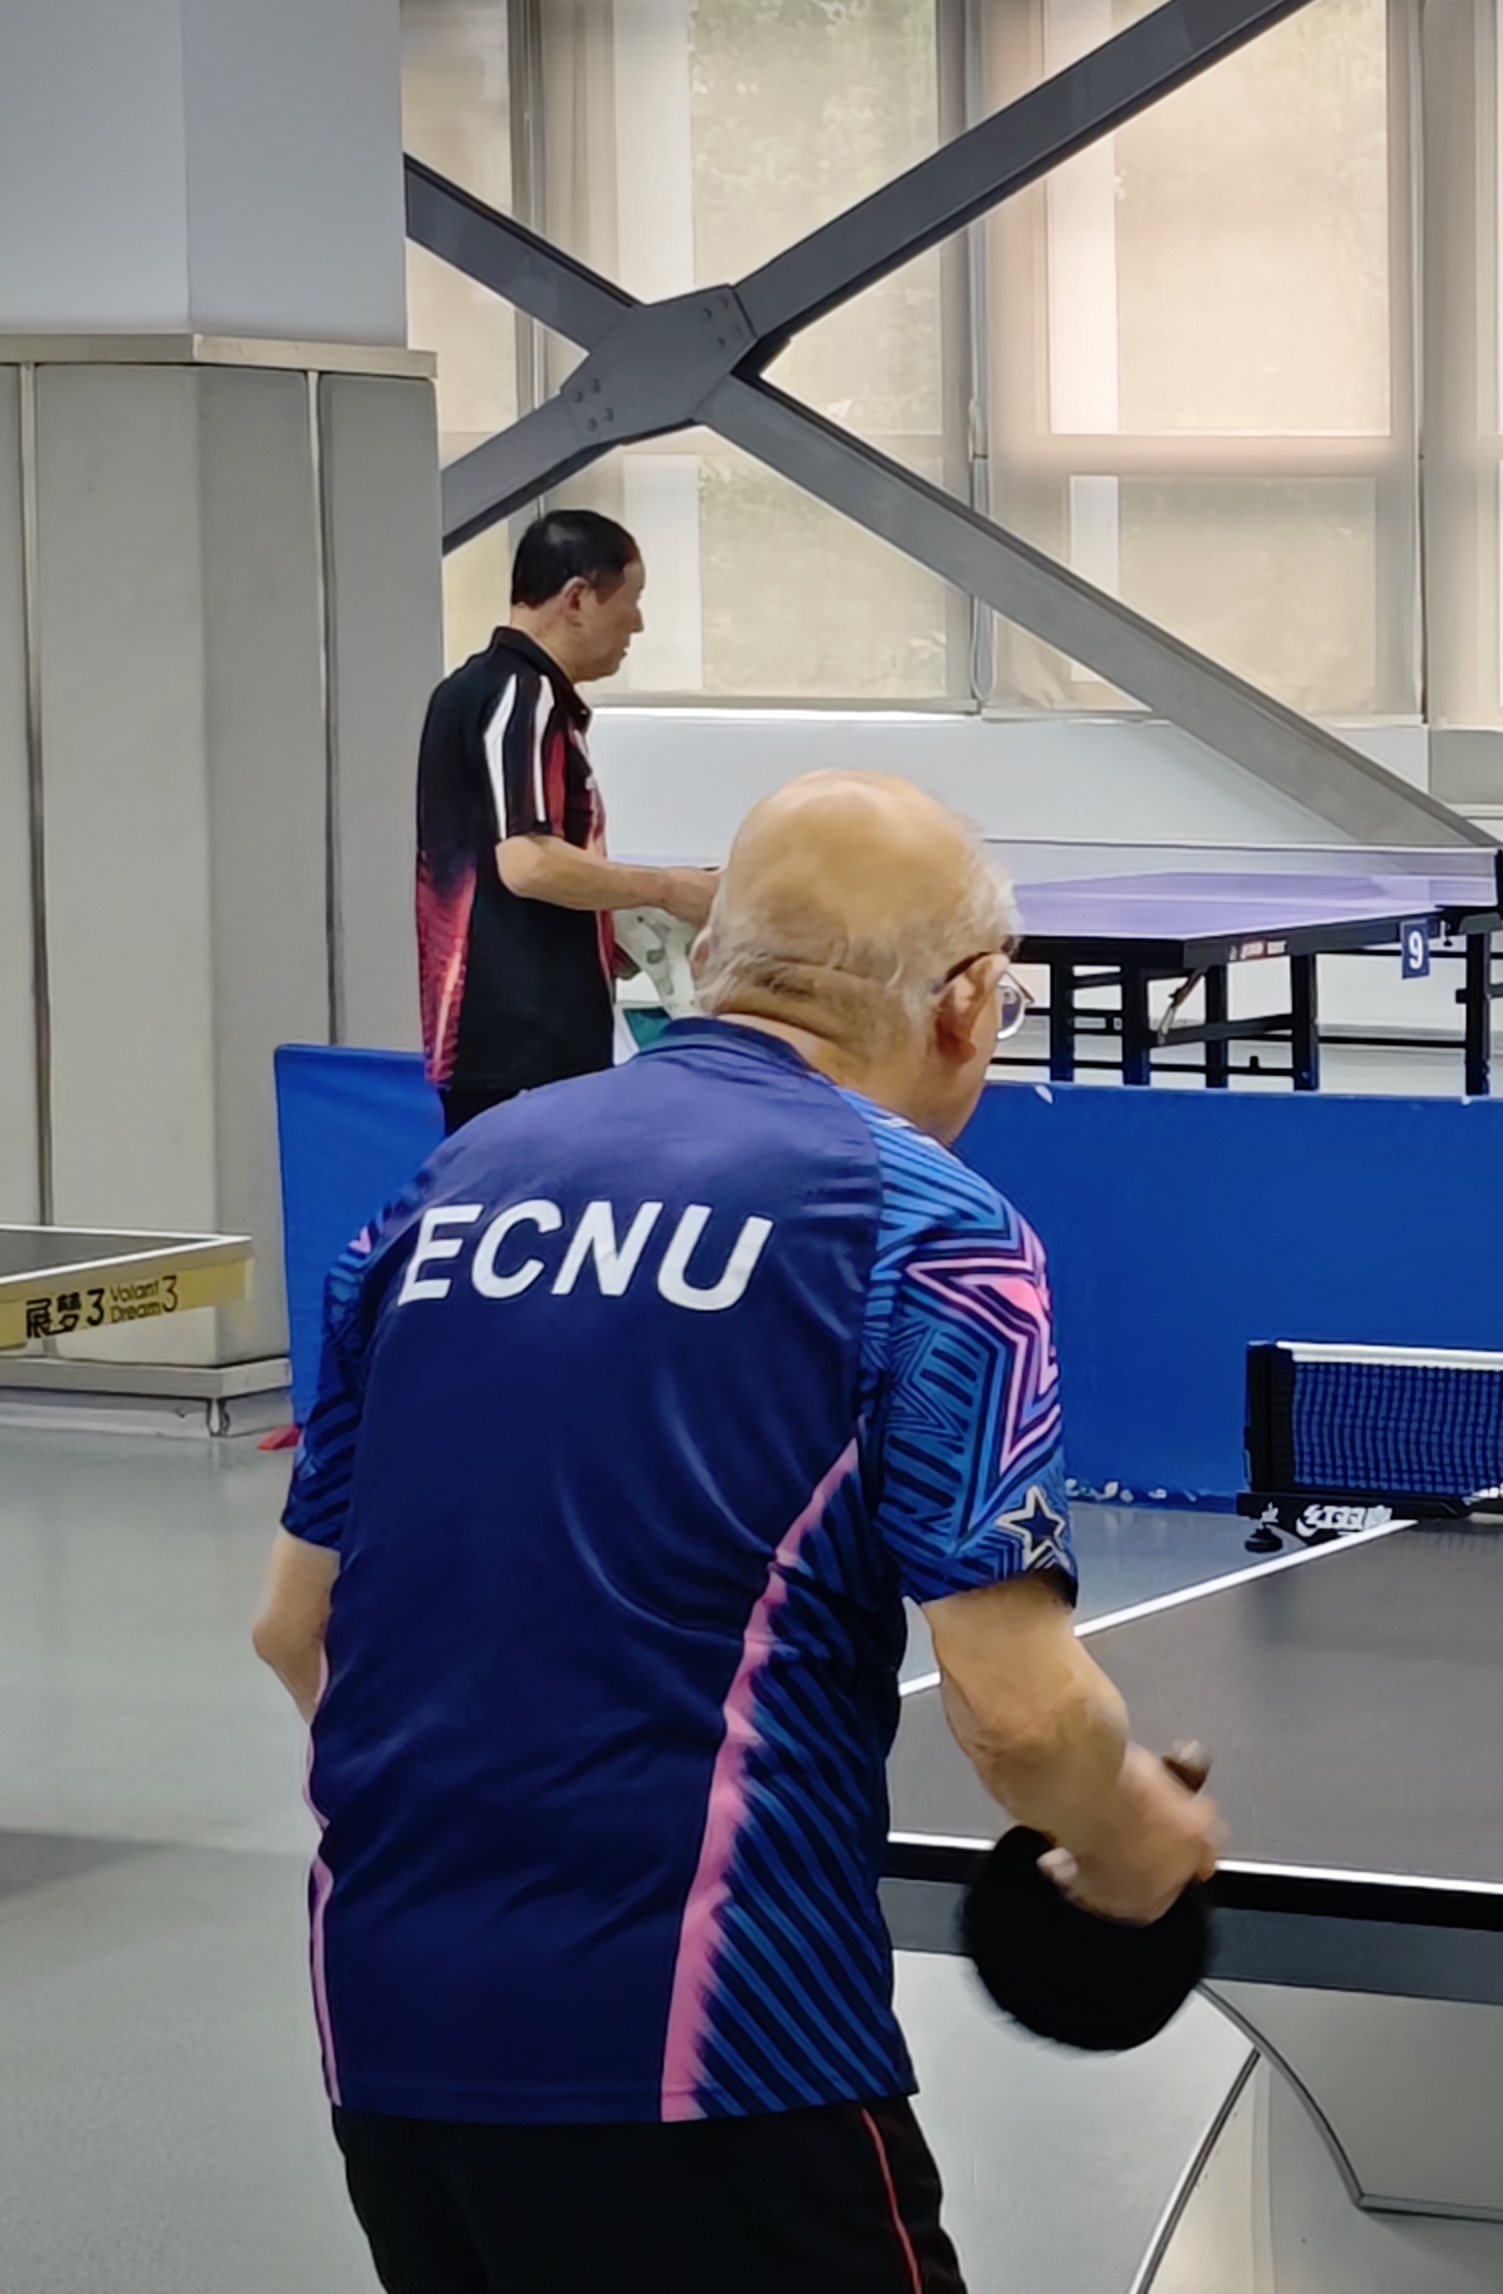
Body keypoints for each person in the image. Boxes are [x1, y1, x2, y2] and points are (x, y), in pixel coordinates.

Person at [252, 771, 1222, 2293]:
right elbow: (1023, 1721)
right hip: (722, 2049)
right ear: (967, 1003)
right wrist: (1137, 1840)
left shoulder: (442, 1190)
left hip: (392, 2030)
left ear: (711, 960)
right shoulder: (933, 1232)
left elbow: (296, 1628)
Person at [414, 509, 720, 1131]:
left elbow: (499, 876)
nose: (637, 623)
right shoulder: (522, 693)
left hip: (502, 1047)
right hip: (526, 1046)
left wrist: (606, 928)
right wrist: (667, 888)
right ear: (577, 599)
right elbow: (526, 863)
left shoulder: (472, 691)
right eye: (631, 599)